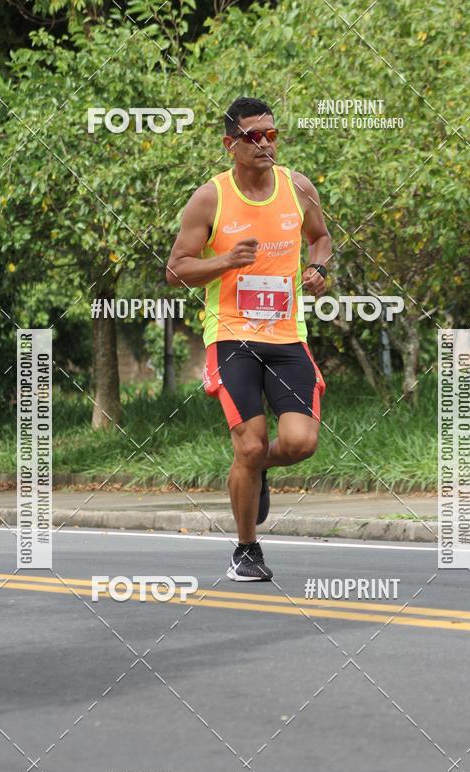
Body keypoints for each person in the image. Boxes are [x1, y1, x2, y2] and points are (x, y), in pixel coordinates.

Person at [166, 96, 331, 581]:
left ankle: (253, 469)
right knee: (251, 444)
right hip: (231, 335)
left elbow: (321, 237)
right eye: (253, 137)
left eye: (271, 135)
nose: (264, 144)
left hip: (286, 336)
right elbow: (176, 269)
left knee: (300, 443)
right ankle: (246, 549)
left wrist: (318, 267)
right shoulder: (210, 198)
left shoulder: (298, 187)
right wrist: (224, 262)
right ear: (230, 145)